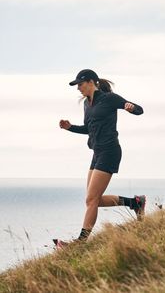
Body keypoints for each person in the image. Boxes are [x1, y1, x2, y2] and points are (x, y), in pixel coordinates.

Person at [54, 69, 146, 248]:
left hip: (110, 151)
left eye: (80, 84)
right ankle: (135, 202)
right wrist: (70, 127)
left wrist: (131, 108)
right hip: (96, 153)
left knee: (91, 200)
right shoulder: (87, 105)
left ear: (91, 82)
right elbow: (88, 128)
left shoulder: (109, 99)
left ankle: (80, 244)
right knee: (92, 199)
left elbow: (139, 110)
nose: (78, 88)